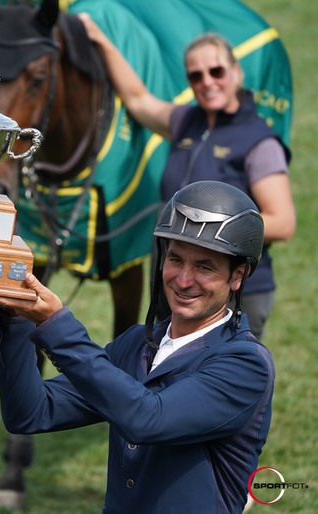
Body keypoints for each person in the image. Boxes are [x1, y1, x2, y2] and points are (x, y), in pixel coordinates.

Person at [0, 181, 275, 514]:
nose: (182, 279)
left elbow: (149, 418)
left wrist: (56, 324)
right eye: (176, 259)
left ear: (238, 276)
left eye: (204, 266)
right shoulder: (137, 344)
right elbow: (31, 412)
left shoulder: (245, 364)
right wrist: (16, 316)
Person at [79, 14, 296, 340]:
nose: (207, 82)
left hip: (232, 291)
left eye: (217, 71)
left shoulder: (258, 141)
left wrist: (205, 231)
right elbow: (139, 100)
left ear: (236, 72)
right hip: (177, 283)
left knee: (216, 386)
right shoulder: (186, 121)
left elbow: (283, 222)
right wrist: (100, 38)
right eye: (196, 75)